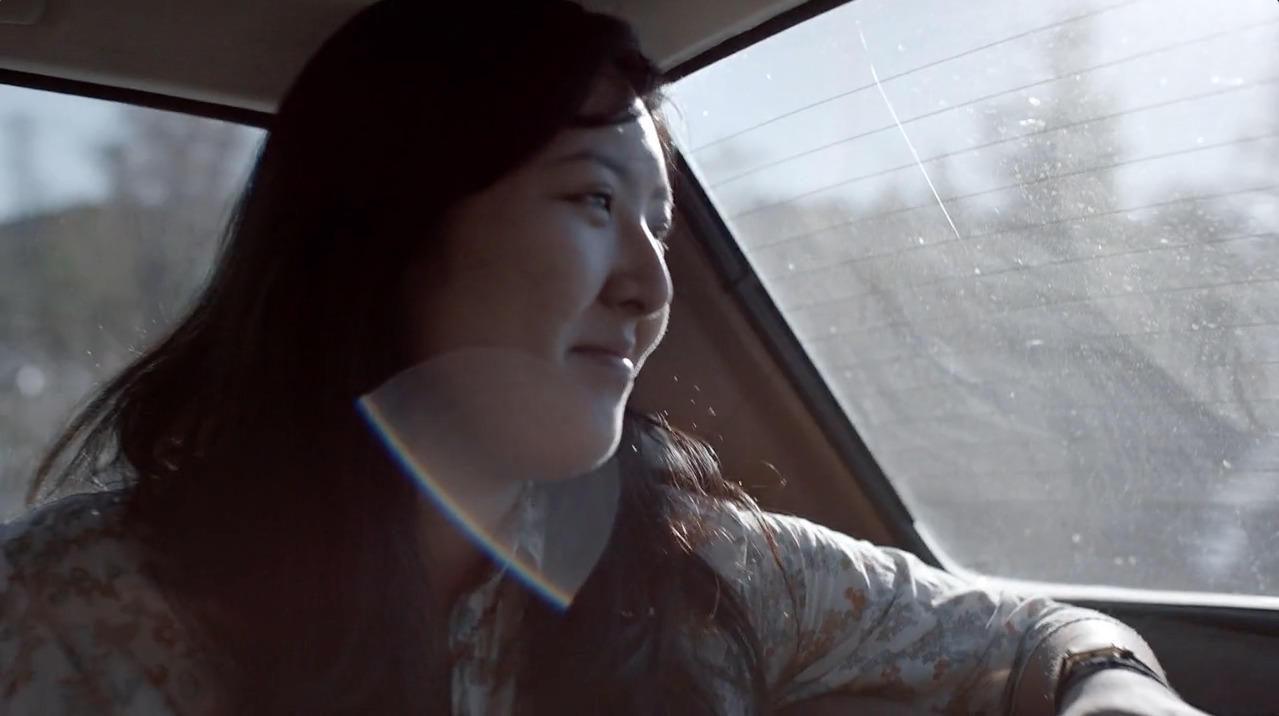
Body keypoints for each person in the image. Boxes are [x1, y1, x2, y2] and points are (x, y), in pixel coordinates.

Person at [0, 1, 1209, 714]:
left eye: (664, 226)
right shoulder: (80, 612)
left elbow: (1032, 630)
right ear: (388, 229)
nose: (651, 285)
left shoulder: (696, 560)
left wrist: (1115, 688)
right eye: (590, 201)